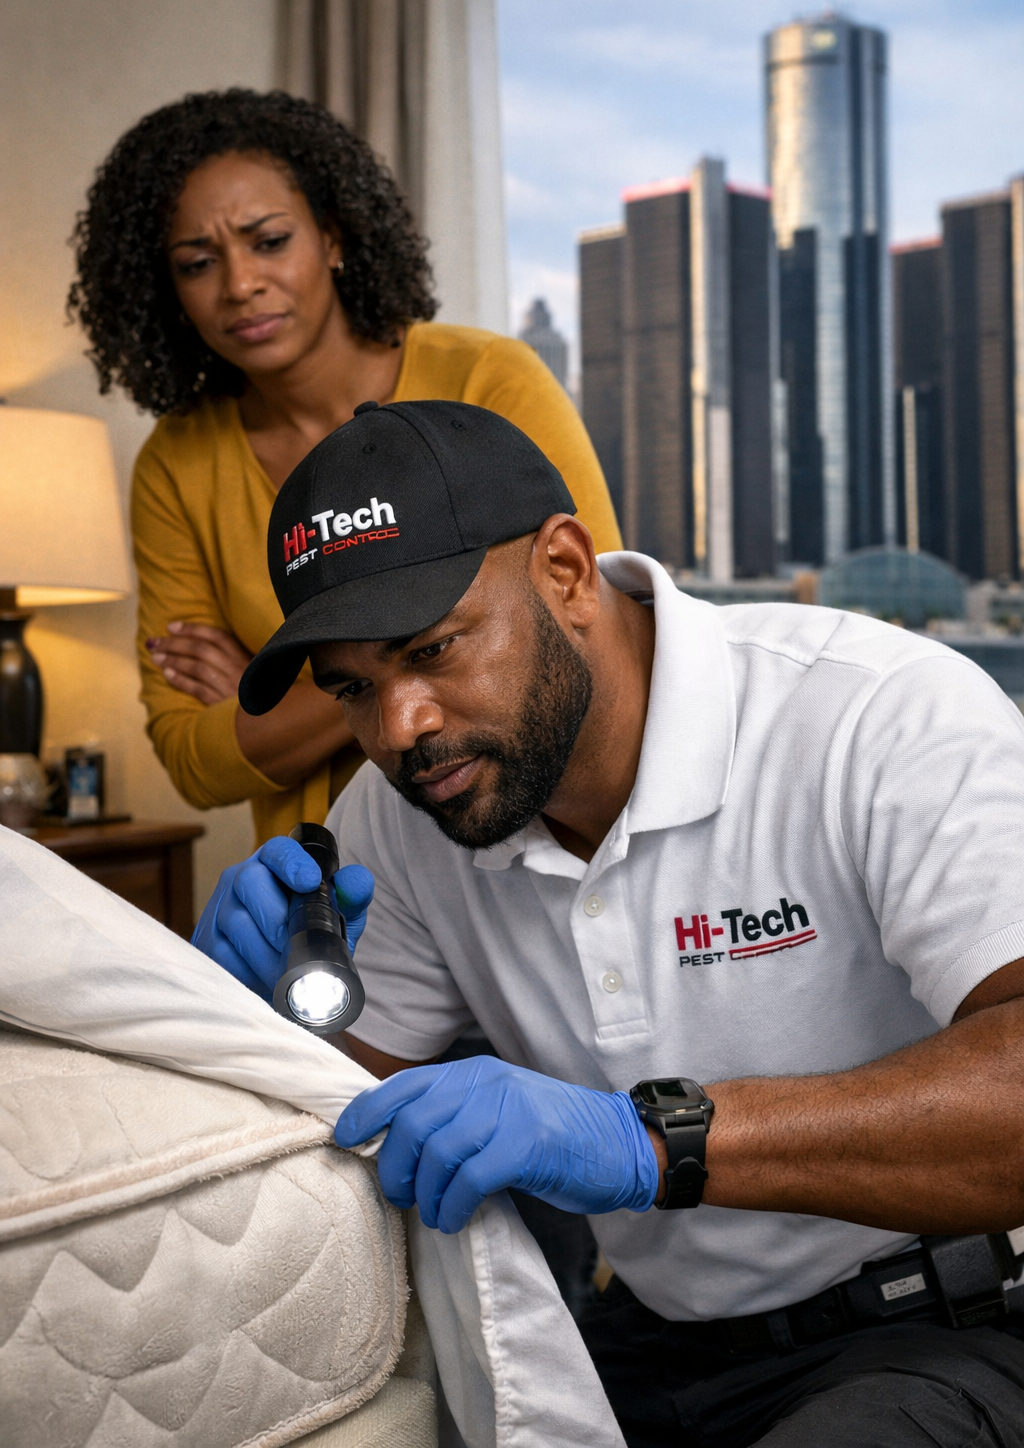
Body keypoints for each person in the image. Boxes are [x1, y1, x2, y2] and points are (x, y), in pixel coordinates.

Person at [193, 399, 1024, 1447]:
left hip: (949, 1325)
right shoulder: (404, 814)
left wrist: (646, 1140)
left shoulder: (876, 715)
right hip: (656, 1341)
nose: (400, 727)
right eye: (354, 687)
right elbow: (339, 1123)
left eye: (434, 648)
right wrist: (249, 1022)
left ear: (567, 572)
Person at [68, 89, 620, 845]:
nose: (239, 285)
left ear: (332, 235)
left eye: (268, 241)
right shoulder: (177, 465)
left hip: (525, 851)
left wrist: (297, 685)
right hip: (329, 881)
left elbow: (590, 621)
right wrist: (403, 669)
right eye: (198, 263)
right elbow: (195, 762)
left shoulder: (487, 382)